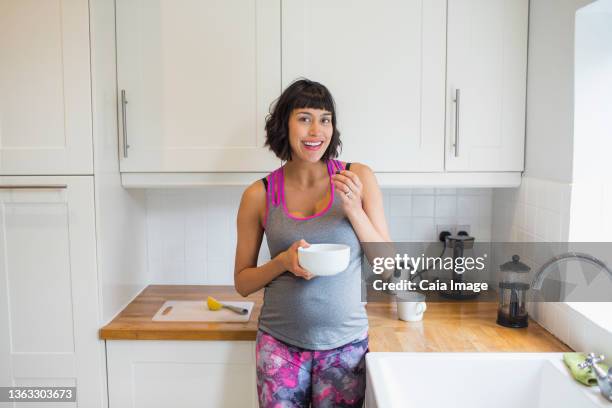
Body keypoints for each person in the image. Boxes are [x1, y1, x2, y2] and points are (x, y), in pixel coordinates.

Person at [234, 79, 391, 407]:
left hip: (345, 348)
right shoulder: (258, 195)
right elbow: (242, 282)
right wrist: (281, 262)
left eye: (325, 119)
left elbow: (387, 267)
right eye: (304, 118)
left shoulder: (358, 178)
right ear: (284, 125)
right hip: (279, 347)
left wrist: (354, 210)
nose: (316, 130)